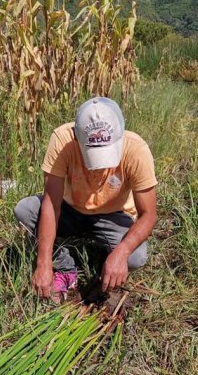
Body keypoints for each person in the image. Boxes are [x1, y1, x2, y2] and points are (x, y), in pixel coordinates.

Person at [14, 97, 157, 302]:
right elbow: (51, 204)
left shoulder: (136, 150)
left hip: (113, 215)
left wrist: (122, 253)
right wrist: (43, 264)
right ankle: (65, 266)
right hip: (69, 209)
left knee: (135, 257)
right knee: (24, 211)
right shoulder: (63, 141)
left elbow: (149, 214)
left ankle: (104, 261)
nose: (98, 167)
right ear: (77, 138)